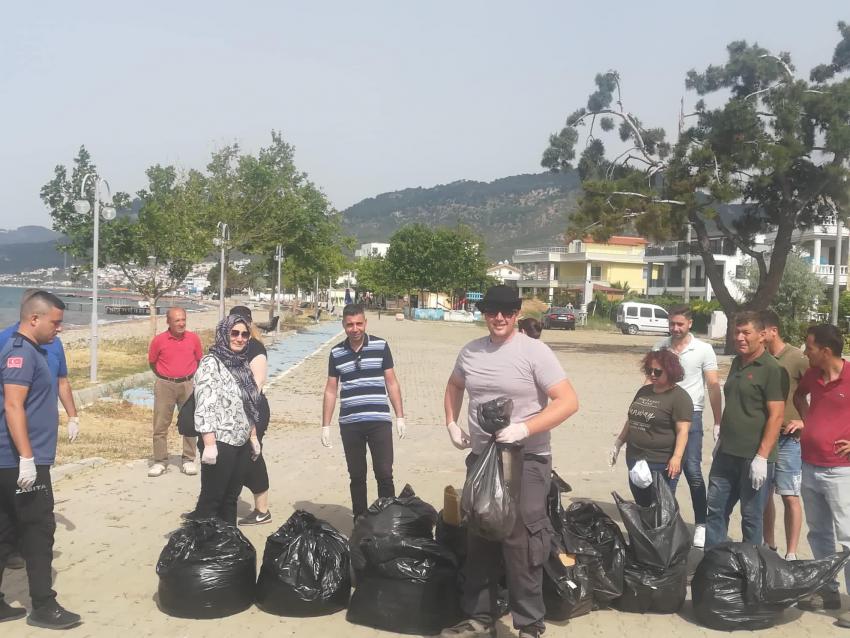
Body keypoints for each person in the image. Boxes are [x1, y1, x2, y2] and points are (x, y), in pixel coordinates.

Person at [441, 285, 579, 638]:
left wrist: (525, 428)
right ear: (484, 314)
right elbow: (454, 386)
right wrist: (451, 423)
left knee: (521, 538)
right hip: (482, 458)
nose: (499, 318)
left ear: (517, 315)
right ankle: (479, 617)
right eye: (492, 312)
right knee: (481, 531)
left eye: (506, 312)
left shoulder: (535, 352)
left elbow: (568, 401)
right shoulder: (471, 352)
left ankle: (529, 624)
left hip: (527, 457)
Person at [0, 291, 81, 628]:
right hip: (19, 461)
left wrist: (72, 415)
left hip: (17, 460)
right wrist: (27, 458)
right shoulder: (20, 353)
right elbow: (13, 405)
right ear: (34, 318)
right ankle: (44, 606)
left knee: (6, 530)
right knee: (38, 529)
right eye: (55, 322)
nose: (59, 328)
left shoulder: (33, 350)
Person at [705, 311, 784, 550]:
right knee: (715, 510)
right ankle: (715, 563)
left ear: (762, 335)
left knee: (751, 518)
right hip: (726, 453)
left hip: (753, 457)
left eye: (746, 332)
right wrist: (721, 433)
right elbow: (735, 403)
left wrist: (762, 457)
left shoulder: (772, 368)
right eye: (736, 332)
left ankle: (751, 565)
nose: (739, 337)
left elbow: (776, 415)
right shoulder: (737, 362)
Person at [321, 303, 405, 518]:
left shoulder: (381, 346)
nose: (355, 329)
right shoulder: (336, 352)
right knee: (357, 476)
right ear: (343, 325)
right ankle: (360, 520)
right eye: (350, 325)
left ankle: (387, 520)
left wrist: (400, 416)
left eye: (359, 323)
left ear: (365, 323)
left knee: (384, 473)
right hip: (350, 423)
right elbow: (331, 389)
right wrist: (325, 425)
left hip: (379, 421)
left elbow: (392, 382)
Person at [793, 324, 850, 627]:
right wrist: (809, 422)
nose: (805, 352)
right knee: (819, 534)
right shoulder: (812, 375)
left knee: (848, 535)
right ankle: (828, 592)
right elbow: (799, 396)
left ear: (826, 351)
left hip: (841, 470)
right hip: (810, 465)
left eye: (810, 347)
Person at [652, 305, 721, 548]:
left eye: (680, 324)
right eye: (672, 323)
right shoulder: (660, 347)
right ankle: (667, 523)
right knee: (667, 471)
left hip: (691, 414)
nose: (675, 328)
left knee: (692, 470)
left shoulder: (703, 349)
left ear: (690, 323)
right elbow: (651, 381)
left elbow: (713, 385)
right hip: (664, 414)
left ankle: (701, 523)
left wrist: (718, 420)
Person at [186, 314, 262, 523]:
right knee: (212, 499)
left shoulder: (242, 364)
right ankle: (201, 539)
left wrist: (253, 436)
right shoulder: (211, 363)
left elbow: (249, 405)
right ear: (224, 334)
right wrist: (209, 444)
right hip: (220, 441)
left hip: (241, 441)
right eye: (234, 333)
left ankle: (228, 538)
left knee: (231, 498)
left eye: (244, 334)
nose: (239, 338)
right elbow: (205, 405)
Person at [609, 349, 692, 505]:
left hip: (660, 461)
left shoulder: (680, 397)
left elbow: (683, 431)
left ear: (670, 371)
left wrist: (677, 457)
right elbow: (632, 419)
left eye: (658, 371)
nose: (652, 374)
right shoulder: (644, 391)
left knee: (661, 505)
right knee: (641, 502)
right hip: (635, 457)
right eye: (649, 370)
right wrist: (618, 443)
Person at [760, 309, 808, 561]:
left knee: (790, 496)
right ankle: (769, 546)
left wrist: (805, 421)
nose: (757, 336)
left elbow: (821, 391)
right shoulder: (760, 358)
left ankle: (791, 554)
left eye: (760, 331)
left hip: (789, 439)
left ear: (773, 331)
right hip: (765, 437)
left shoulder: (797, 358)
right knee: (764, 495)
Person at [229, 306, 273, 526]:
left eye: (242, 325)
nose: (239, 334)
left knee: (251, 455)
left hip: (252, 410)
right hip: (229, 411)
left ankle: (262, 510)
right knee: (228, 456)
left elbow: (257, 383)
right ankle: (221, 502)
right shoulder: (226, 346)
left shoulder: (255, 347)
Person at [147, 307, 203, 478]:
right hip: (165, 385)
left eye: (183, 319)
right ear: (168, 322)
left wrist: (189, 378)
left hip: (188, 384)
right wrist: (165, 376)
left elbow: (199, 360)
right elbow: (152, 362)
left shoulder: (193, 339)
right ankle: (160, 461)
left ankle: (188, 459)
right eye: (177, 320)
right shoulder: (158, 340)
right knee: (160, 425)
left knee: (190, 423)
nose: (181, 323)